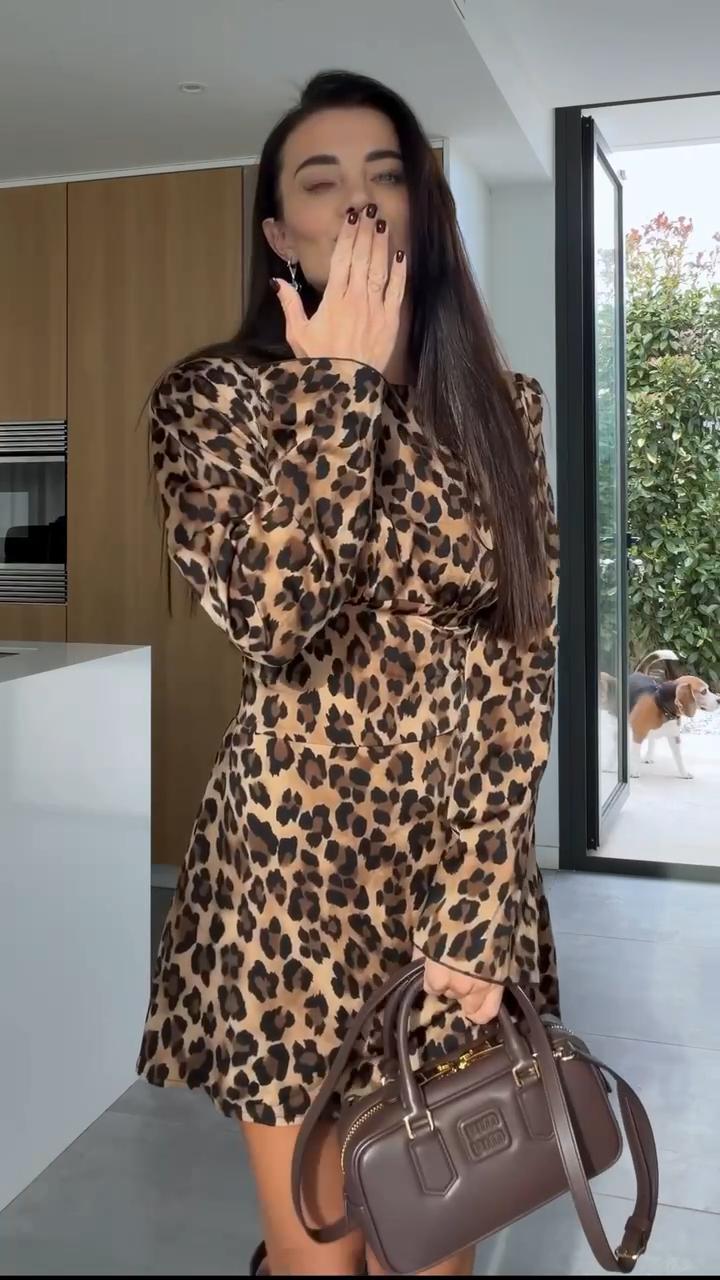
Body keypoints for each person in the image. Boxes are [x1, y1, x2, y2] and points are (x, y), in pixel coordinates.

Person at [136, 70, 560, 1278]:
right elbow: (273, 614)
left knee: (433, 1238)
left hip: (458, 876)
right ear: (280, 232)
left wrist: (481, 906)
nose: (360, 202)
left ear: (425, 215)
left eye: (387, 176)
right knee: (322, 1253)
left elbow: (520, 653)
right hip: (290, 879)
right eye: (322, 183)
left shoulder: (500, 406)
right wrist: (344, 387)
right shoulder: (212, 399)